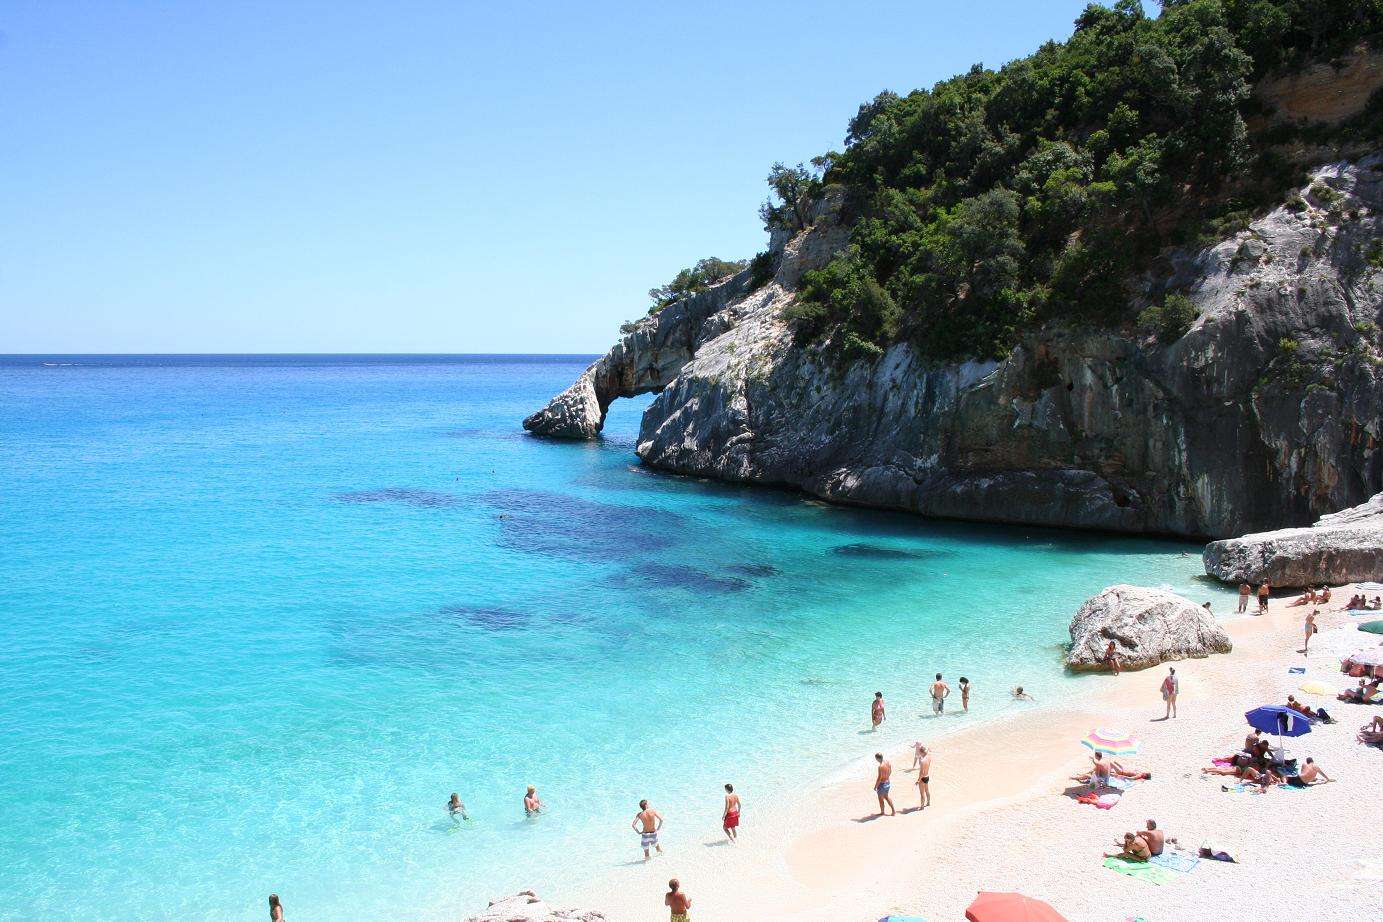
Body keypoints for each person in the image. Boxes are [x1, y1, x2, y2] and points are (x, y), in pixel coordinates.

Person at [915, 744, 931, 809]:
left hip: (922, 778)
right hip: (927, 776)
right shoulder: (929, 757)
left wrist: (918, 780)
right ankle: (928, 803)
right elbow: (927, 751)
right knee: (927, 790)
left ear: (921, 752)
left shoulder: (922, 761)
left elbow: (921, 772)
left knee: (922, 794)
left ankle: (922, 807)